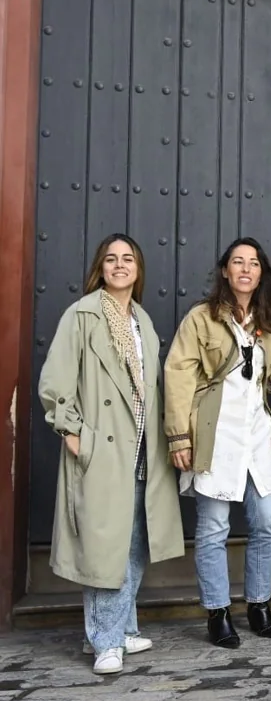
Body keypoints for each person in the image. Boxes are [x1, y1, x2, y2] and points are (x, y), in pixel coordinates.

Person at [38, 234, 185, 675]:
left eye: (127, 259)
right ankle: (105, 641)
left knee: (137, 541)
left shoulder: (141, 319)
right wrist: (72, 433)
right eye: (111, 259)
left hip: (142, 449)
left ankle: (116, 629)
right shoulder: (81, 315)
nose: (120, 265)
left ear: (138, 269)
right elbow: (56, 381)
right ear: (100, 268)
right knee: (105, 547)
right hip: (102, 449)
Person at [164, 237, 271, 648]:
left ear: (261, 273)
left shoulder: (268, 320)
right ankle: (217, 612)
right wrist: (179, 436)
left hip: (256, 436)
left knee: (266, 522)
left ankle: (259, 605)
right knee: (214, 527)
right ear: (225, 271)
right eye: (238, 262)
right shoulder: (202, 318)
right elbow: (178, 376)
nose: (246, 269)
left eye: (253, 263)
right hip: (214, 435)